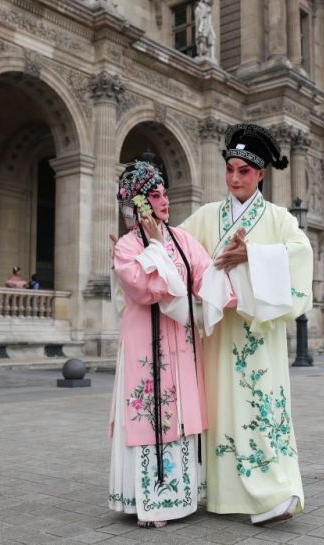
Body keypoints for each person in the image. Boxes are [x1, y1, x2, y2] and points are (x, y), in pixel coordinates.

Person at [181, 123, 313, 524]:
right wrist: (144, 238)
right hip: (219, 338)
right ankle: (224, 495)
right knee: (222, 412)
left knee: (261, 411)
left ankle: (273, 492)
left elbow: (300, 253)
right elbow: (180, 251)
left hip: (260, 337)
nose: (235, 178)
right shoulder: (206, 216)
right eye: (230, 169)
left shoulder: (279, 218)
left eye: (244, 171)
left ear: (260, 175)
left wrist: (252, 255)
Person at [108, 159, 216, 528]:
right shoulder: (126, 246)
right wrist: (155, 248)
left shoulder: (185, 241)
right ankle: (148, 500)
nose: (165, 201)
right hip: (144, 342)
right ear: (139, 203)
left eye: (166, 193)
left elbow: (205, 278)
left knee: (181, 410)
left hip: (181, 342)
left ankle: (181, 497)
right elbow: (145, 287)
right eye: (156, 195)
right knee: (149, 411)